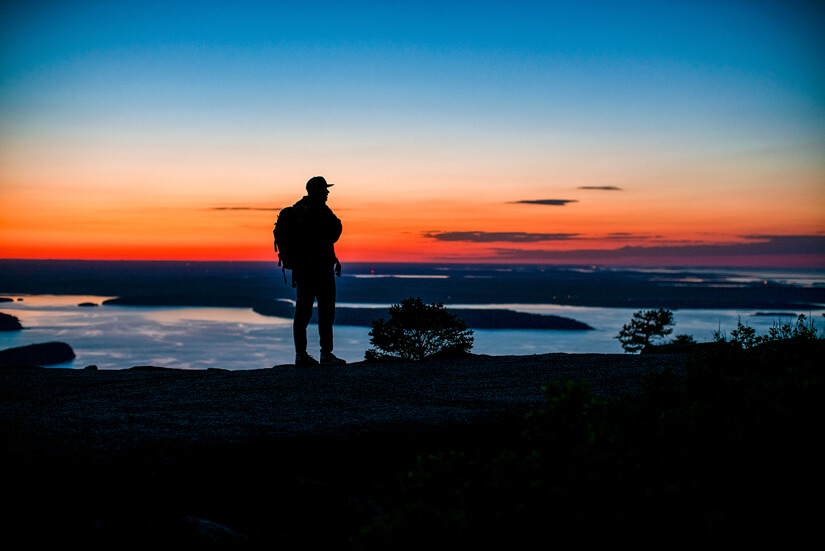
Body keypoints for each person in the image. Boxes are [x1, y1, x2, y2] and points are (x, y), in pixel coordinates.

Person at [291, 176, 346, 366]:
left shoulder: (298, 209)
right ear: (317, 191)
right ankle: (326, 354)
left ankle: (300, 355)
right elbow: (334, 234)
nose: (328, 192)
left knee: (302, 313)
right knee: (326, 313)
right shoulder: (321, 210)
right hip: (321, 271)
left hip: (302, 272)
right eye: (325, 189)